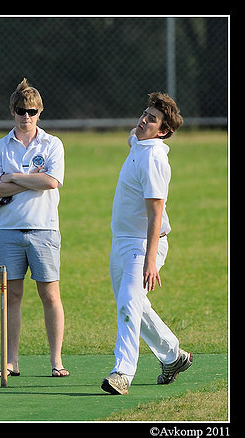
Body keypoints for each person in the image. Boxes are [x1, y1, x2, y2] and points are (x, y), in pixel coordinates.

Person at [101, 92, 192, 395]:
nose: (142, 121)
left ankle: (122, 373)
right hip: (122, 240)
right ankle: (172, 355)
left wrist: (150, 261)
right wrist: (137, 133)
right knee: (134, 304)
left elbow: (155, 215)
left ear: (163, 131)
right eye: (144, 114)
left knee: (129, 302)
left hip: (144, 243)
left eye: (151, 119)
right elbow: (132, 136)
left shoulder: (154, 158)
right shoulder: (140, 141)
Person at [0, 78, 69, 378]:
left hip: (44, 229)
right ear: (12, 111)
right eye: (20, 110)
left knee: (50, 296)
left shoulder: (52, 143)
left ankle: (56, 361)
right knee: (12, 297)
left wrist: (13, 178)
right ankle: (10, 361)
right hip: (9, 232)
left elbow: (51, 182)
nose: (26, 116)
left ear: (40, 112)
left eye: (31, 111)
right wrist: (28, 180)